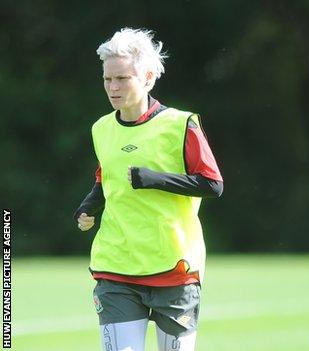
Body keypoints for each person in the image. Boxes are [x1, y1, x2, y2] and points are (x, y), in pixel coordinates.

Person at [74, 28, 223, 351]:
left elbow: (213, 184)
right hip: (116, 267)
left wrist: (155, 179)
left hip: (174, 268)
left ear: (148, 78)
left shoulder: (180, 124)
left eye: (122, 79)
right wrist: (88, 206)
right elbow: (106, 178)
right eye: (107, 80)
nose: (113, 88)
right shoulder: (101, 128)